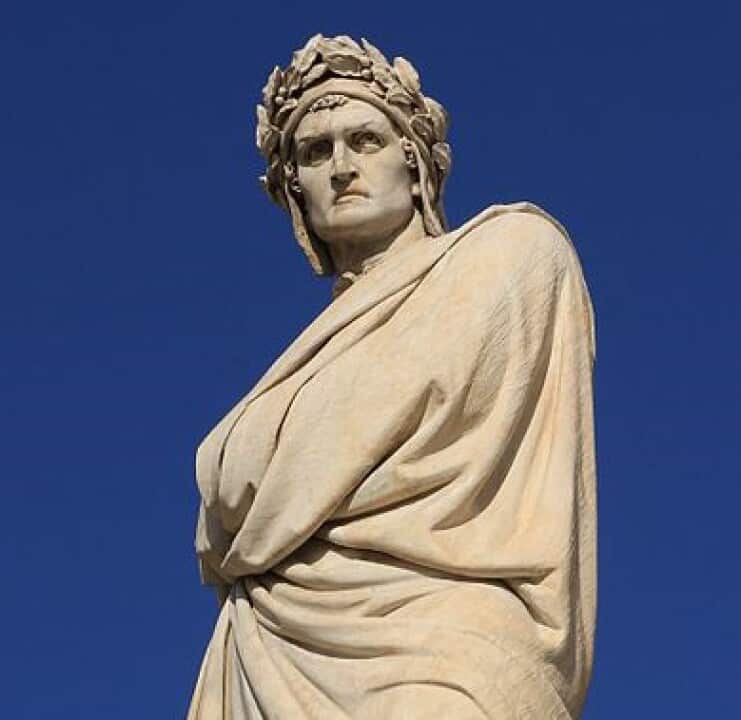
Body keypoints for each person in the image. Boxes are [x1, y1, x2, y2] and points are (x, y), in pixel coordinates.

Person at [188, 35, 597, 719]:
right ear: (295, 192)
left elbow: (258, 478)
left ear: (414, 165)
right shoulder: (298, 368)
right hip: (269, 651)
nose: (342, 168)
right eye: (315, 153)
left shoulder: (507, 253)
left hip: (441, 650)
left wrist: (257, 471)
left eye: (365, 141)